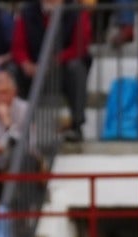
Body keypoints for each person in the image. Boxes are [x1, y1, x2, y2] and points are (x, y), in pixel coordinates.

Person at [11, 0, 92, 143]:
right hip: (33, 70)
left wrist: (52, 62)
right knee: (12, 71)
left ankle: (76, 126)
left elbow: (79, 46)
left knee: (76, 68)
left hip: (62, 69)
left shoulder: (76, 11)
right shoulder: (27, 12)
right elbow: (18, 46)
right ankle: (17, 129)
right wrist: (26, 63)